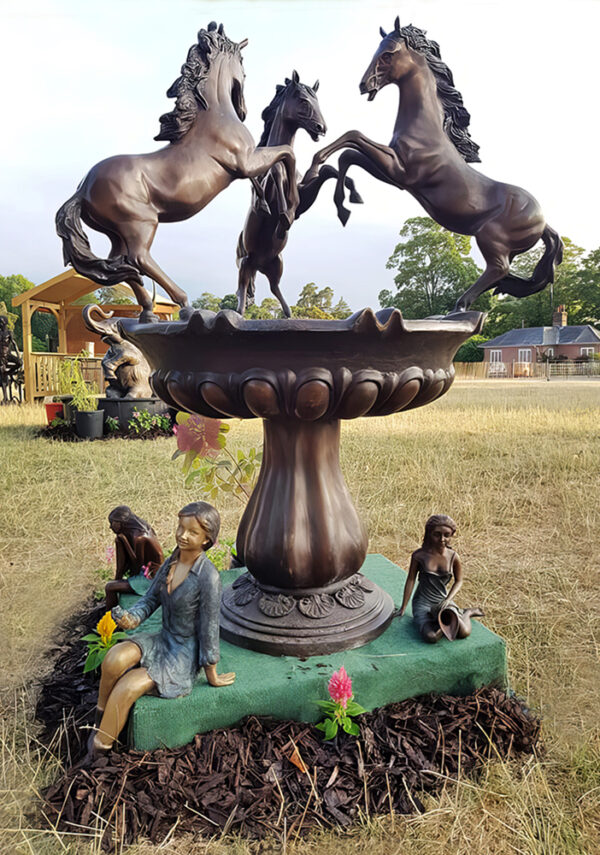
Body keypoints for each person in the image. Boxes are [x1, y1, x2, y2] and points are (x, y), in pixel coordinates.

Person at [89, 501, 235, 757]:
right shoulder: (172, 562)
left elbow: (210, 628)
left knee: (127, 687)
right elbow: (150, 598)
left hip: (182, 654)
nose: (182, 535)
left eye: (192, 532)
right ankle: (96, 720)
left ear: (206, 539)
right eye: (181, 527)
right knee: (113, 659)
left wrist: (211, 671)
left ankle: (98, 751)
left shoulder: (207, 578)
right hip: (162, 638)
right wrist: (132, 619)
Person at [399, 514, 484, 643]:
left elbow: (459, 580)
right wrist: (403, 607)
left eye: (446, 535)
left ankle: (467, 613)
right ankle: (441, 621)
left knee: (464, 632)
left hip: (443, 600)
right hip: (423, 603)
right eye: (436, 534)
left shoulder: (453, 557)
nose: (442, 539)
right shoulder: (419, 556)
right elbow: (411, 580)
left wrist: (448, 599)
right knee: (431, 637)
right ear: (428, 534)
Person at [104, 506, 164, 608]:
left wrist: (124, 542)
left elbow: (137, 565)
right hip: (146, 574)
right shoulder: (136, 533)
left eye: (112, 522)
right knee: (114, 584)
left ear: (121, 522)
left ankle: (109, 617)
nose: (110, 527)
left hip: (151, 579)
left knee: (109, 587)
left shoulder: (139, 538)